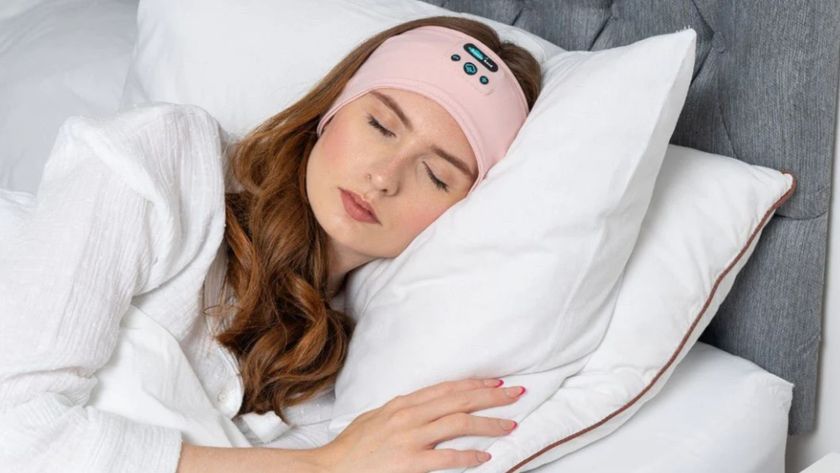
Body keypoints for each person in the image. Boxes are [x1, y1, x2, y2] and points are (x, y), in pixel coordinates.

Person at [0, 15, 541, 473]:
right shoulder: (167, 164)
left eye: (436, 175)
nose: (383, 178)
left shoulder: (341, 386)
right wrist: (327, 465)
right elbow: (16, 429)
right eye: (379, 125)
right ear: (332, 112)